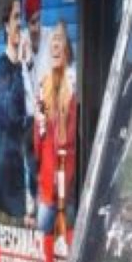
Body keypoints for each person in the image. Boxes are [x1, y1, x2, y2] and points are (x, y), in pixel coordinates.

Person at [0, 0, 35, 225]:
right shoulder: (3, 67)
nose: (21, 23)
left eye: (22, 17)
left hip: (26, 172)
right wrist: (20, 65)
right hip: (8, 183)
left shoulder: (24, 65)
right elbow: (10, 116)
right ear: (6, 25)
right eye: (16, 17)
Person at [33, 21, 77, 237]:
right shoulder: (44, 86)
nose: (55, 45)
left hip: (66, 182)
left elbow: (68, 139)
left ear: (67, 47)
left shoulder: (73, 85)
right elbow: (38, 137)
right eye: (52, 41)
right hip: (48, 182)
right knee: (43, 238)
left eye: (59, 39)